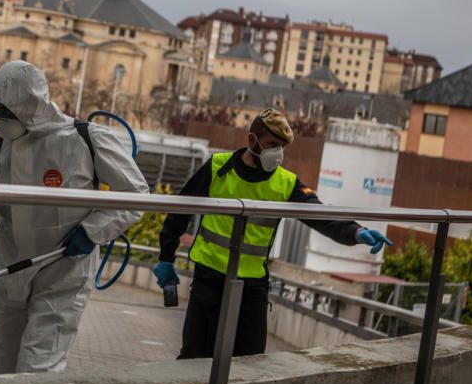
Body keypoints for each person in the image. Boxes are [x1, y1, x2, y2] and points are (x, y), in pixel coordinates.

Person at [0, 61, 149, 374]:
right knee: (7, 372)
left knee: (38, 371)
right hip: (9, 272)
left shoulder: (85, 140)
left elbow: (134, 193)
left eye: (5, 112)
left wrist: (92, 232)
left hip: (63, 274)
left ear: (30, 106)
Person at [152, 109, 392, 359]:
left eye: (282, 147)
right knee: (195, 356)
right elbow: (181, 210)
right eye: (272, 145)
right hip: (209, 279)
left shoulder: (286, 184)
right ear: (251, 140)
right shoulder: (217, 167)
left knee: (251, 362)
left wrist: (355, 231)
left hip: (252, 285)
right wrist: (166, 257)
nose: (277, 153)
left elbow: (319, 215)